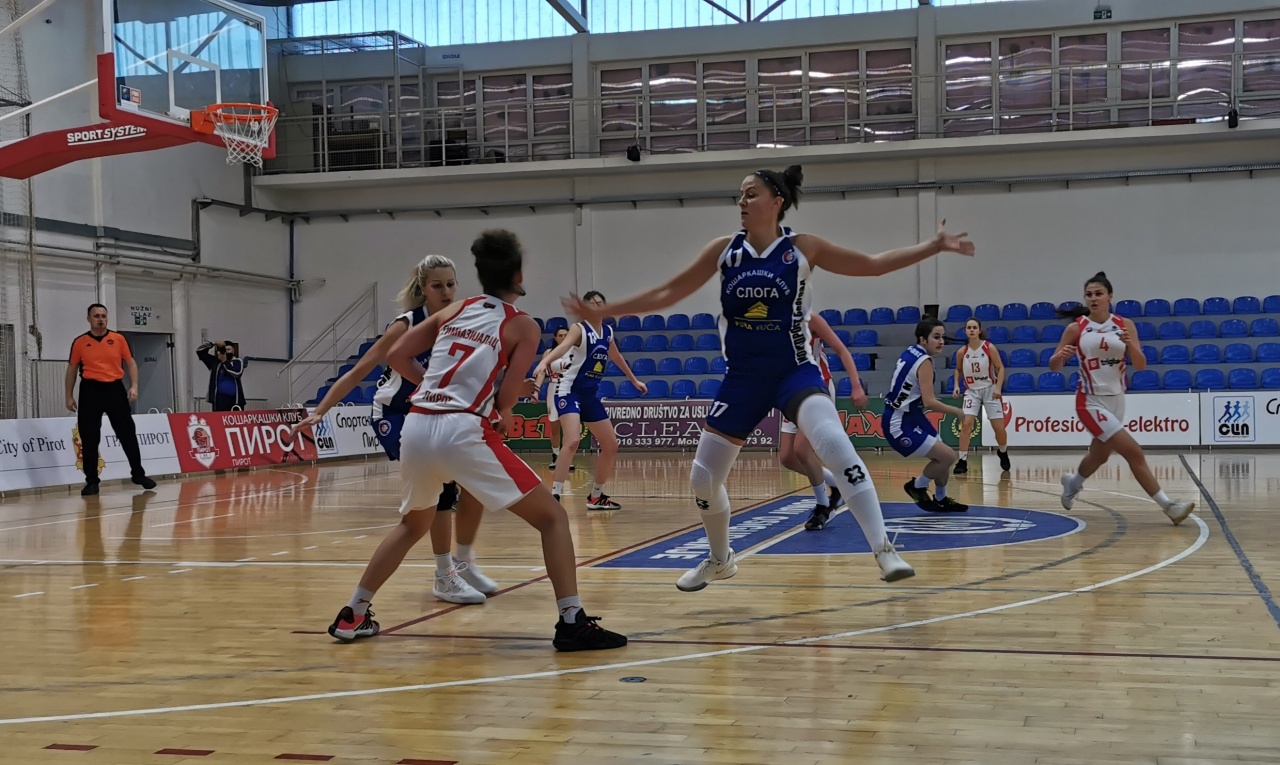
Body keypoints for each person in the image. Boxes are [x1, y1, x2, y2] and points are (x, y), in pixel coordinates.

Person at [563, 164, 975, 590]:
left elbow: (872, 265)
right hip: (743, 378)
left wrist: (932, 246)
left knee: (833, 442)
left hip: (794, 371)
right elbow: (668, 292)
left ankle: (883, 548)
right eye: (740, 194)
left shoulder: (803, 247)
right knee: (703, 477)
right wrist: (605, 312)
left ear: (776, 202)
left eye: (751, 193)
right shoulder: (724, 251)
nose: (741, 201)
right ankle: (720, 559)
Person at [326, 229, 627, 652]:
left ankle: (353, 613)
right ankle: (571, 620)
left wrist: (431, 387)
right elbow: (506, 400)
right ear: (518, 275)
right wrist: (502, 403)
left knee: (412, 524)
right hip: (461, 429)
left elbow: (396, 355)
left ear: (479, 276)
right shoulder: (522, 325)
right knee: (553, 519)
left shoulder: (457, 309)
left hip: (417, 425)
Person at [295, 255, 495, 605]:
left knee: (469, 482)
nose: (446, 292)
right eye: (437, 286)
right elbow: (359, 370)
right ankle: (445, 575)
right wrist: (320, 411)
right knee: (438, 489)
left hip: (433, 413)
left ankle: (461, 564)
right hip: (395, 414)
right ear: (423, 289)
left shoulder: (462, 321)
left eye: (451, 284)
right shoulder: (406, 326)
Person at [1049, 271, 1195, 524]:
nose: (1093, 298)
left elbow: (1141, 365)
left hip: (1117, 399)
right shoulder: (1076, 327)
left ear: (1110, 296)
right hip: (1089, 401)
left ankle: (1073, 482)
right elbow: (1053, 366)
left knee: (1100, 455)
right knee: (1134, 452)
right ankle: (1169, 506)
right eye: (1089, 294)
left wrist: (1131, 345)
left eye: (1098, 293)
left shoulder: (1125, 324)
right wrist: (1060, 356)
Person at [533, 291, 647, 510]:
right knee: (572, 441)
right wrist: (543, 362)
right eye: (592, 303)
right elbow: (562, 347)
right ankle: (554, 494)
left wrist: (634, 380)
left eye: (600, 303)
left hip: (589, 395)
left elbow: (617, 357)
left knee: (611, 445)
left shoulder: (608, 332)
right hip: (568, 391)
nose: (596, 306)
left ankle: (596, 496)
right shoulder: (579, 329)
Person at [780, 311, 861, 531]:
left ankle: (823, 506)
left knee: (801, 450)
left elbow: (842, 350)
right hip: (789, 389)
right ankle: (837, 484)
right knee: (787, 457)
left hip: (815, 386)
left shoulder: (810, 319)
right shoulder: (771, 321)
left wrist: (856, 385)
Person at [64, 304, 157, 496]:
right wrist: (69, 395)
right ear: (89, 318)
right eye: (96, 316)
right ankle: (91, 481)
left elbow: (130, 362)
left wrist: (134, 386)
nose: (100, 319)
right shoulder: (80, 342)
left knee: (127, 433)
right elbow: (72, 369)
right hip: (90, 390)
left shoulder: (118, 339)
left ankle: (138, 474)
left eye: (103, 316)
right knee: (89, 437)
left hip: (114, 389)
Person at [886, 318, 969, 513]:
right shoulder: (924, 362)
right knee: (948, 457)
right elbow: (930, 402)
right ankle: (917, 486)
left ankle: (941, 498)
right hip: (899, 421)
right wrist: (957, 411)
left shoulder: (911, 351)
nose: (941, 342)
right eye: (936, 337)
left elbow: (909, 386)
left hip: (912, 414)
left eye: (942, 337)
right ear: (923, 340)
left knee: (943, 454)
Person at [952, 318, 1010, 474]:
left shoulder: (988, 347)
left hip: (990, 389)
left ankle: (1003, 451)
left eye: (974, 327)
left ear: (979, 330)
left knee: (999, 429)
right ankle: (962, 460)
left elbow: (1000, 368)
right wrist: (956, 385)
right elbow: (958, 369)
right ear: (965, 331)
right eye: (969, 327)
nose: (971, 330)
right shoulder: (962, 352)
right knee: (966, 425)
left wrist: (998, 388)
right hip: (971, 391)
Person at [533, 326, 575, 472]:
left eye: (566, 335)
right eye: (560, 335)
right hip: (554, 387)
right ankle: (556, 454)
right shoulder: (549, 353)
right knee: (555, 426)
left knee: (569, 427)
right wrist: (536, 390)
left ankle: (567, 457)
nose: (563, 337)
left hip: (570, 388)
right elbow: (541, 373)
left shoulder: (576, 351)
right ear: (556, 338)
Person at [197, 340, 246, 412]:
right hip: (218, 400)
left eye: (228, 349)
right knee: (218, 418)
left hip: (235, 400)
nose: (226, 352)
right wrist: (213, 343)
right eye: (224, 350)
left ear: (233, 351)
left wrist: (225, 362)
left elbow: (237, 373)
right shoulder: (215, 362)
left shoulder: (238, 361)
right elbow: (200, 351)